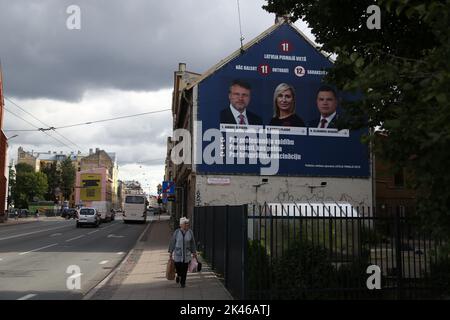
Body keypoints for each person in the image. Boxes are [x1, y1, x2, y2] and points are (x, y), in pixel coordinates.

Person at [168, 217, 197, 288]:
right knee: (178, 267)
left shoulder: (190, 232)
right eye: (185, 224)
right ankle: (178, 275)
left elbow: (192, 243)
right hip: (178, 254)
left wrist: (194, 252)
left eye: (187, 224)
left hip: (186, 254)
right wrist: (171, 252)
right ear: (181, 225)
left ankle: (183, 282)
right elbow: (172, 242)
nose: (187, 225)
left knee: (184, 269)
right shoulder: (177, 232)